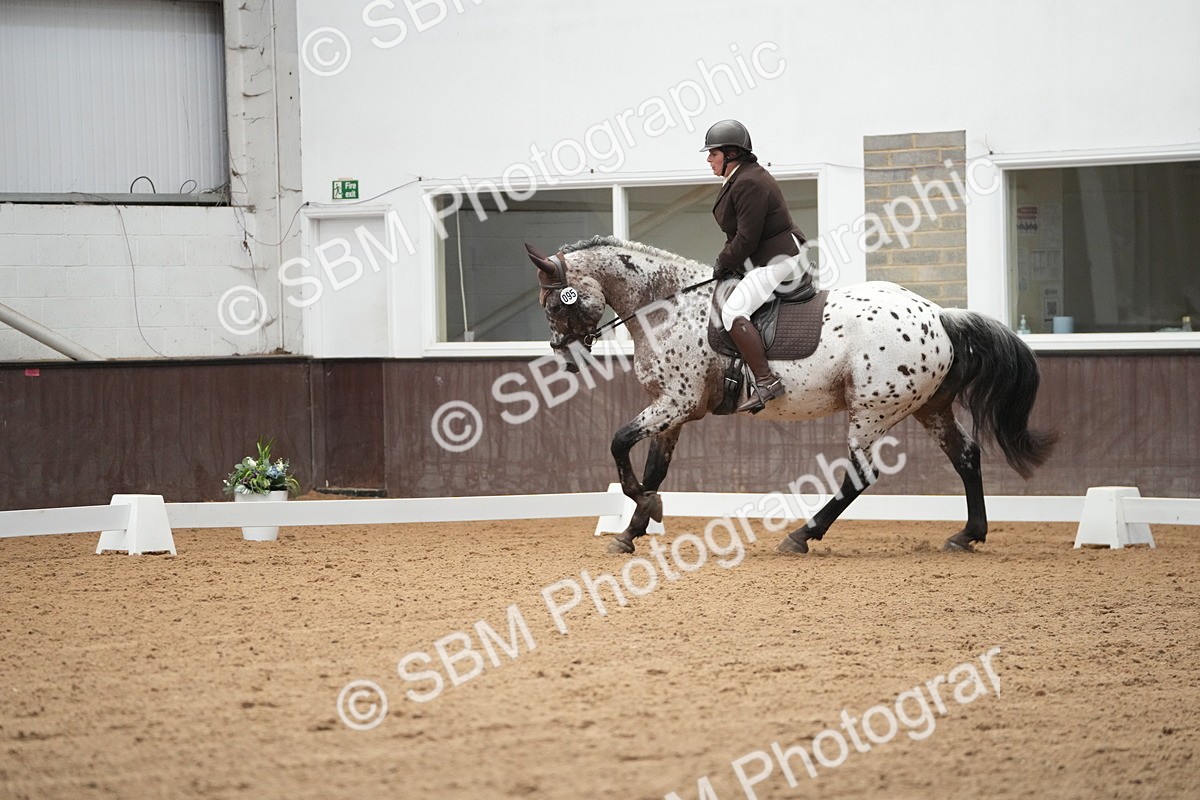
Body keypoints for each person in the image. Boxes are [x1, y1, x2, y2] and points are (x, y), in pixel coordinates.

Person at [702, 119, 813, 413]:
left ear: (732, 154)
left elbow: (747, 238)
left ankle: (766, 381)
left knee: (732, 311)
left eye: (713, 153)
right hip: (765, 255)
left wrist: (723, 261)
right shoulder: (741, 178)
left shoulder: (749, 181)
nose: (709, 159)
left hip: (778, 258)